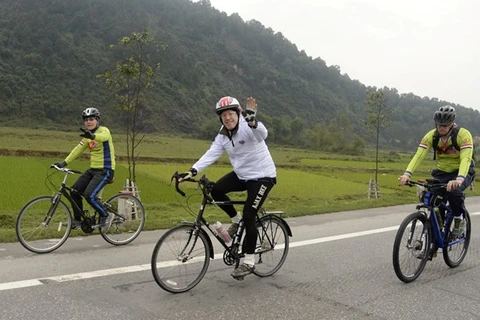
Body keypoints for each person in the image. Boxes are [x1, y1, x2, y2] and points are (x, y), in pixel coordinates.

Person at [179, 96, 277, 278]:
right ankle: (235, 220)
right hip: (242, 175)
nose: (227, 118)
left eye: (231, 113)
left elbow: (263, 134)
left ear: (238, 114)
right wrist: (192, 171)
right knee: (215, 189)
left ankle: (248, 261)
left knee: (250, 214)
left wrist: (253, 121)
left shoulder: (249, 126)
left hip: (262, 177)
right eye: (223, 115)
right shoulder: (223, 134)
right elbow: (211, 153)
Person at [398, 105, 475, 236]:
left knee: (454, 192)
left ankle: (458, 218)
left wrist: (459, 179)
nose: (441, 128)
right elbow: (419, 155)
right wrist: (407, 174)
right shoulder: (431, 136)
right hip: (441, 172)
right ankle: (434, 237)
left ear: (452, 123)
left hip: (462, 171)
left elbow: (466, 158)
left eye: (445, 125)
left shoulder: (463, 135)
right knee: (432, 199)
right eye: (439, 125)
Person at [54, 107, 116, 229]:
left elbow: (102, 137)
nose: (88, 122)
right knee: (74, 192)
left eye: (91, 119)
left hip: (105, 170)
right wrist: (64, 162)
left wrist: (92, 136)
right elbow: (77, 150)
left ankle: (106, 215)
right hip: (93, 170)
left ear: (97, 120)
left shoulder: (104, 131)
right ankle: (77, 220)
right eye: (86, 120)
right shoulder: (87, 137)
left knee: (89, 195)